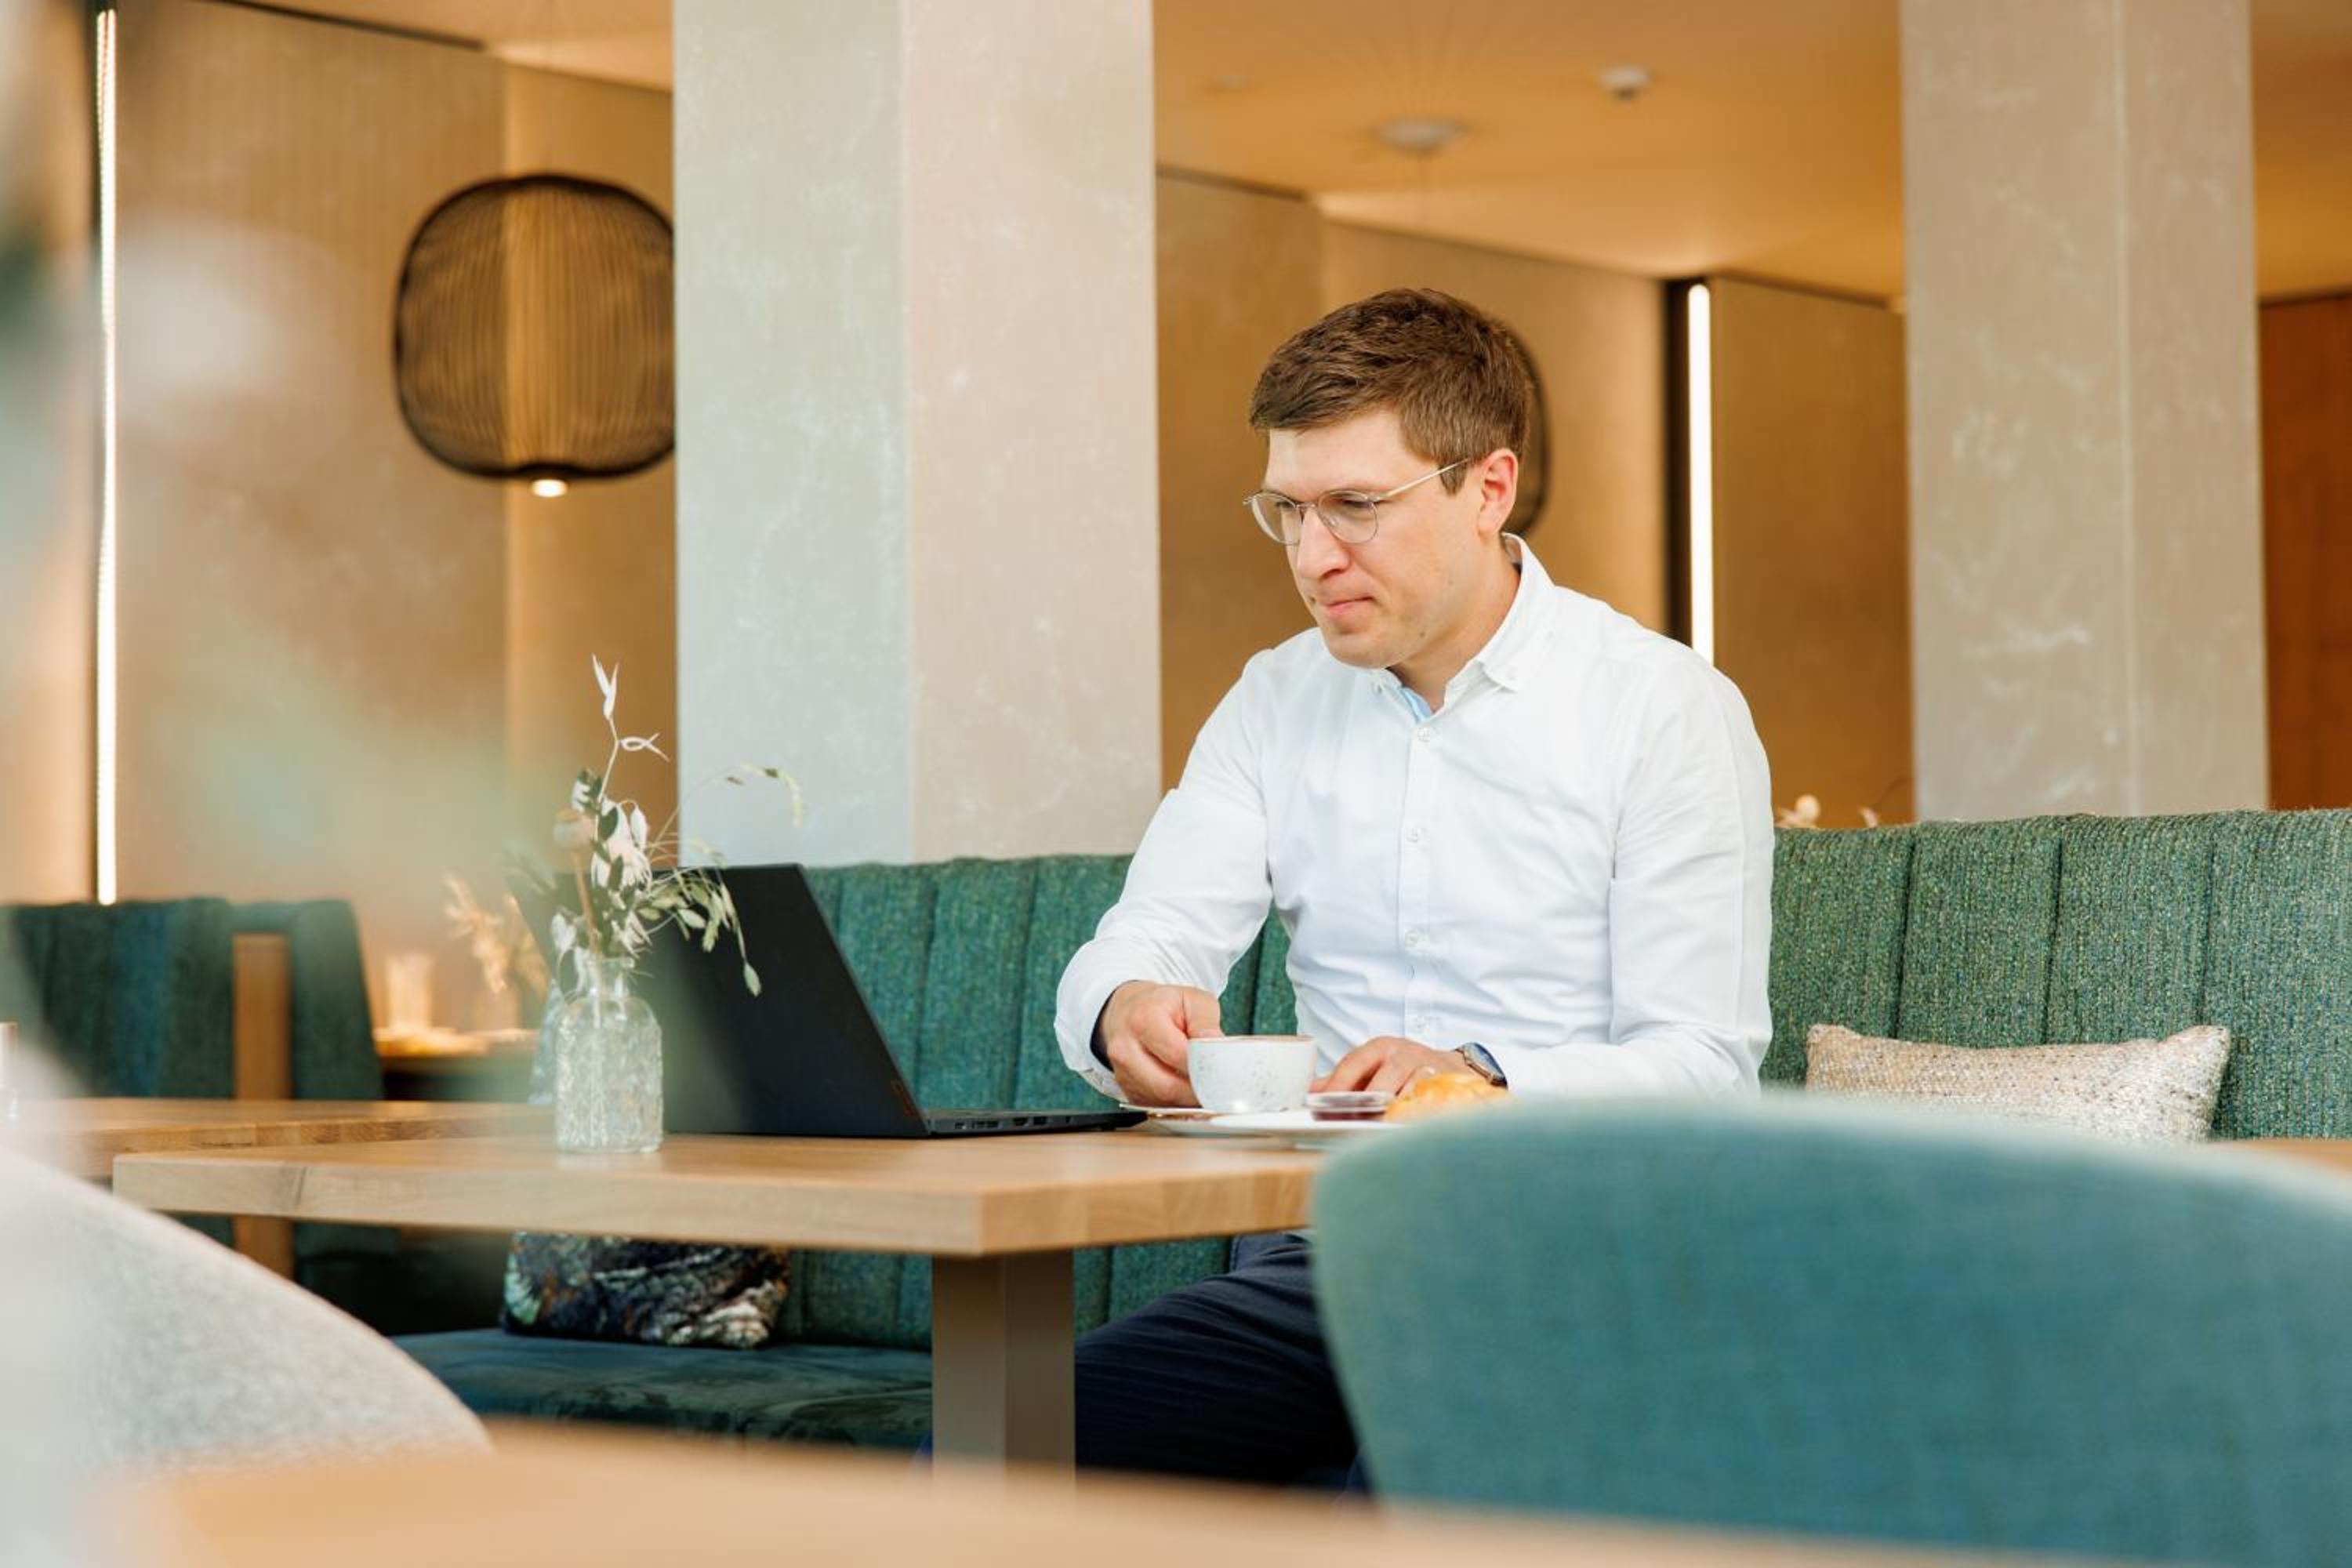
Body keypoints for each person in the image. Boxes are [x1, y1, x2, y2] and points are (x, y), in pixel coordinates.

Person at [1051, 287, 1773, 1486]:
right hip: (1322, 1263)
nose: (1311, 557)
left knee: (1390, 1502)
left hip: (1573, 1260)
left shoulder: (1661, 709)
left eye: (1356, 507)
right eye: (1287, 510)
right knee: (996, 1450)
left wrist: (1474, 1077)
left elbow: (1704, 1066)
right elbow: (1150, 937)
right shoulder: (1275, 699)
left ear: (1488, 488)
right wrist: (1125, 1006)